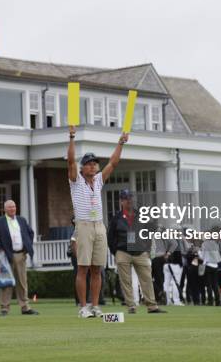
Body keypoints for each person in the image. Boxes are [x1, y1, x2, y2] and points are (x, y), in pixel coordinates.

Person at [67, 124, 128, 318]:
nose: (93, 165)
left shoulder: (99, 180)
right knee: (82, 268)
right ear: (83, 167)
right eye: (89, 163)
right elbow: (70, 162)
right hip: (83, 225)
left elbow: (113, 162)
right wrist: (71, 138)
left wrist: (120, 143)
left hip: (99, 226)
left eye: (95, 163)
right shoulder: (76, 181)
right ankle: (83, 307)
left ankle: (95, 306)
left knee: (97, 269)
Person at [107, 189, 166, 314]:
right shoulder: (116, 218)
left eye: (131, 198)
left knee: (147, 279)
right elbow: (111, 237)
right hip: (123, 251)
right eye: (126, 199)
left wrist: (148, 249)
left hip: (140, 251)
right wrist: (115, 251)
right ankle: (131, 306)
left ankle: (152, 306)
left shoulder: (141, 215)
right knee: (126, 281)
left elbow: (149, 232)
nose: (129, 201)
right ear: (121, 201)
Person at [0, 200, 39, 316]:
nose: (12, 209)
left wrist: (27, 246)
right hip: (6, 255)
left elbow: (30, 232)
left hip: (20, 254)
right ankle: (4, 308)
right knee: (6, 282)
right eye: (10, 207)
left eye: (14, 207)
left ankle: (25, 307)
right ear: (5, 209)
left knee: (22, 282)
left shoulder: (21, 220)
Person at [201, 228, 221, 306]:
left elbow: (203, 256)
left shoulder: (204, 244)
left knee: (208, 284)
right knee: (215, 284)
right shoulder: (215, 244)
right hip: (215, 265)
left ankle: (210, 301)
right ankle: (218, 301)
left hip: (208, 265)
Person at [163, 237, 185, 306]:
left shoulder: (166, 240)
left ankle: (167, 301)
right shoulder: (177, 241)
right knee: (176, 283)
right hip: (175, 264)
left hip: (166, 264)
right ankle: (176, 301)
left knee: (166, 283)